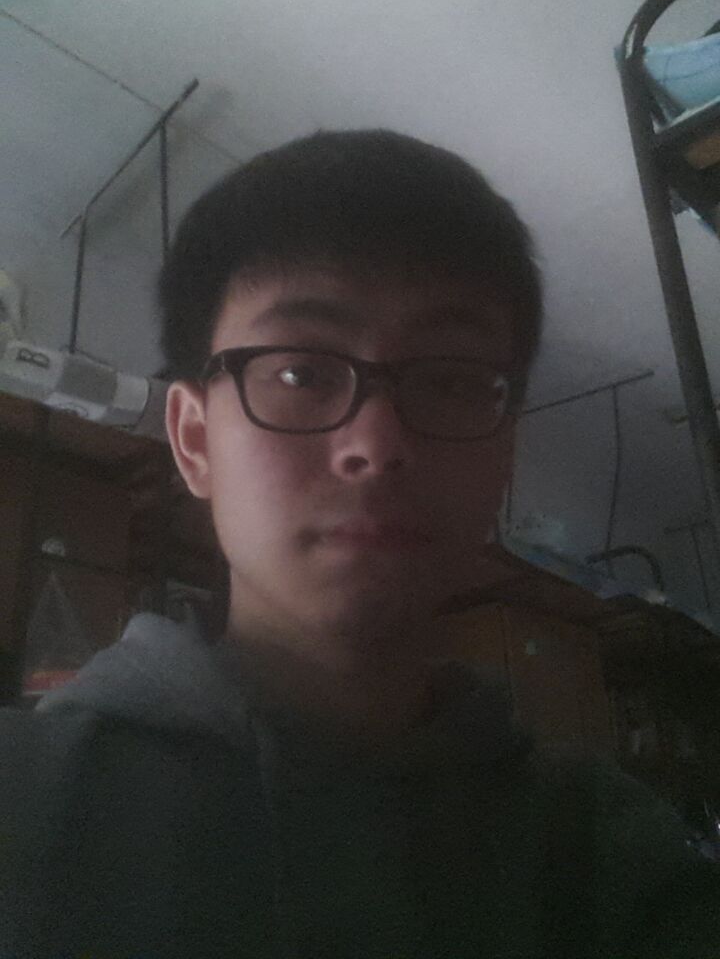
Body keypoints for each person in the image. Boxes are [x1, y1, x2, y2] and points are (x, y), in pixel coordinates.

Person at [1, 129, 718, 959]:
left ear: (506, 457)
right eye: (301, 372)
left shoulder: (611, 857)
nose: (377, 444)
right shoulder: (22, 804)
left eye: (450, 380)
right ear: (194, 441)